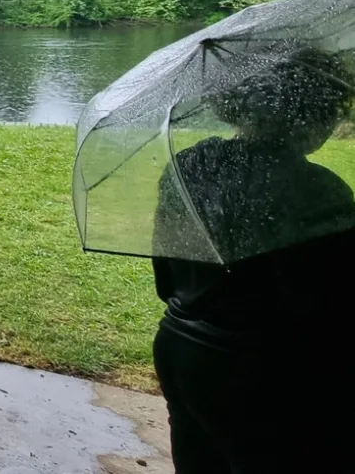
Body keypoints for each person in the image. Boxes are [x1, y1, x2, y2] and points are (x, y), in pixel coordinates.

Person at [151, 47, 355, 473]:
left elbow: (165, 281)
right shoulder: (320, 191)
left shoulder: (189, 164)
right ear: (307, 114)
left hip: (181, 349)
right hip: (268, 373)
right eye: (331, 111)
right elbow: (328, 309)